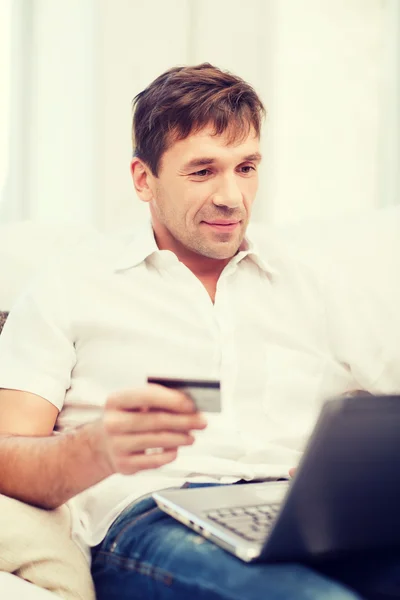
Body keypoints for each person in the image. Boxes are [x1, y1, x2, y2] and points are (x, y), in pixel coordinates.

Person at [0, 63, 399, 600]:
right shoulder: (71, 284)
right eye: (203, 171)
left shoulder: (313, 280)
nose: (232, 197)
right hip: (152, 521)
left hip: (299, 515)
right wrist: (94, 448)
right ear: (144, 178)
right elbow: (6, 454)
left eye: (247, 167)